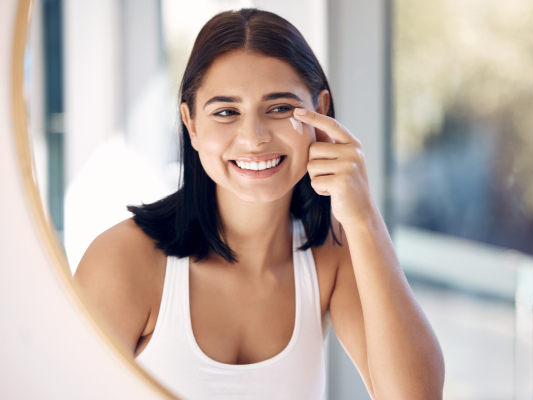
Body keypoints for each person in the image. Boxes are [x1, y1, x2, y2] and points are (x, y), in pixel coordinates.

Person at [74, 8, 444, 400]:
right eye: (226, 112)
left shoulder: (332, 252)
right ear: (192, 124)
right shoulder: (123, 260)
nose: (254, 138)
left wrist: (364, 217)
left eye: (281, 108)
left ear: (320, 110)